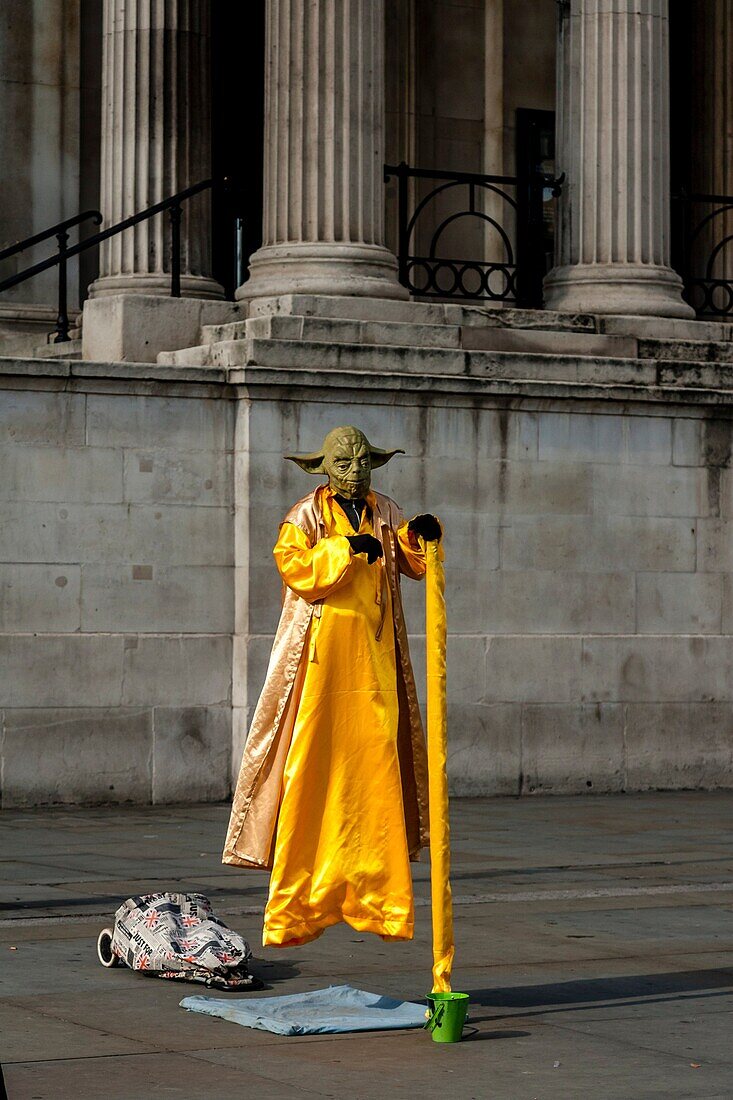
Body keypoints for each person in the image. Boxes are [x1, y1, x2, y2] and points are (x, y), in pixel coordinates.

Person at [223, 425, 442, 947]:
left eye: (363, 462)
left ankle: (380, 900)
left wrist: (422, 536)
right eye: (344, 463)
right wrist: (344, 550)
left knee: (376, 777)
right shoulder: (305, 516)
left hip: (373, 663)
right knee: (310, 772)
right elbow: (295, 567)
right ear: (323, 467)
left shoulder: (385, 510)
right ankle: (299, 906)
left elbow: (409, 561)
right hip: (321, 669)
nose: (355, 472)